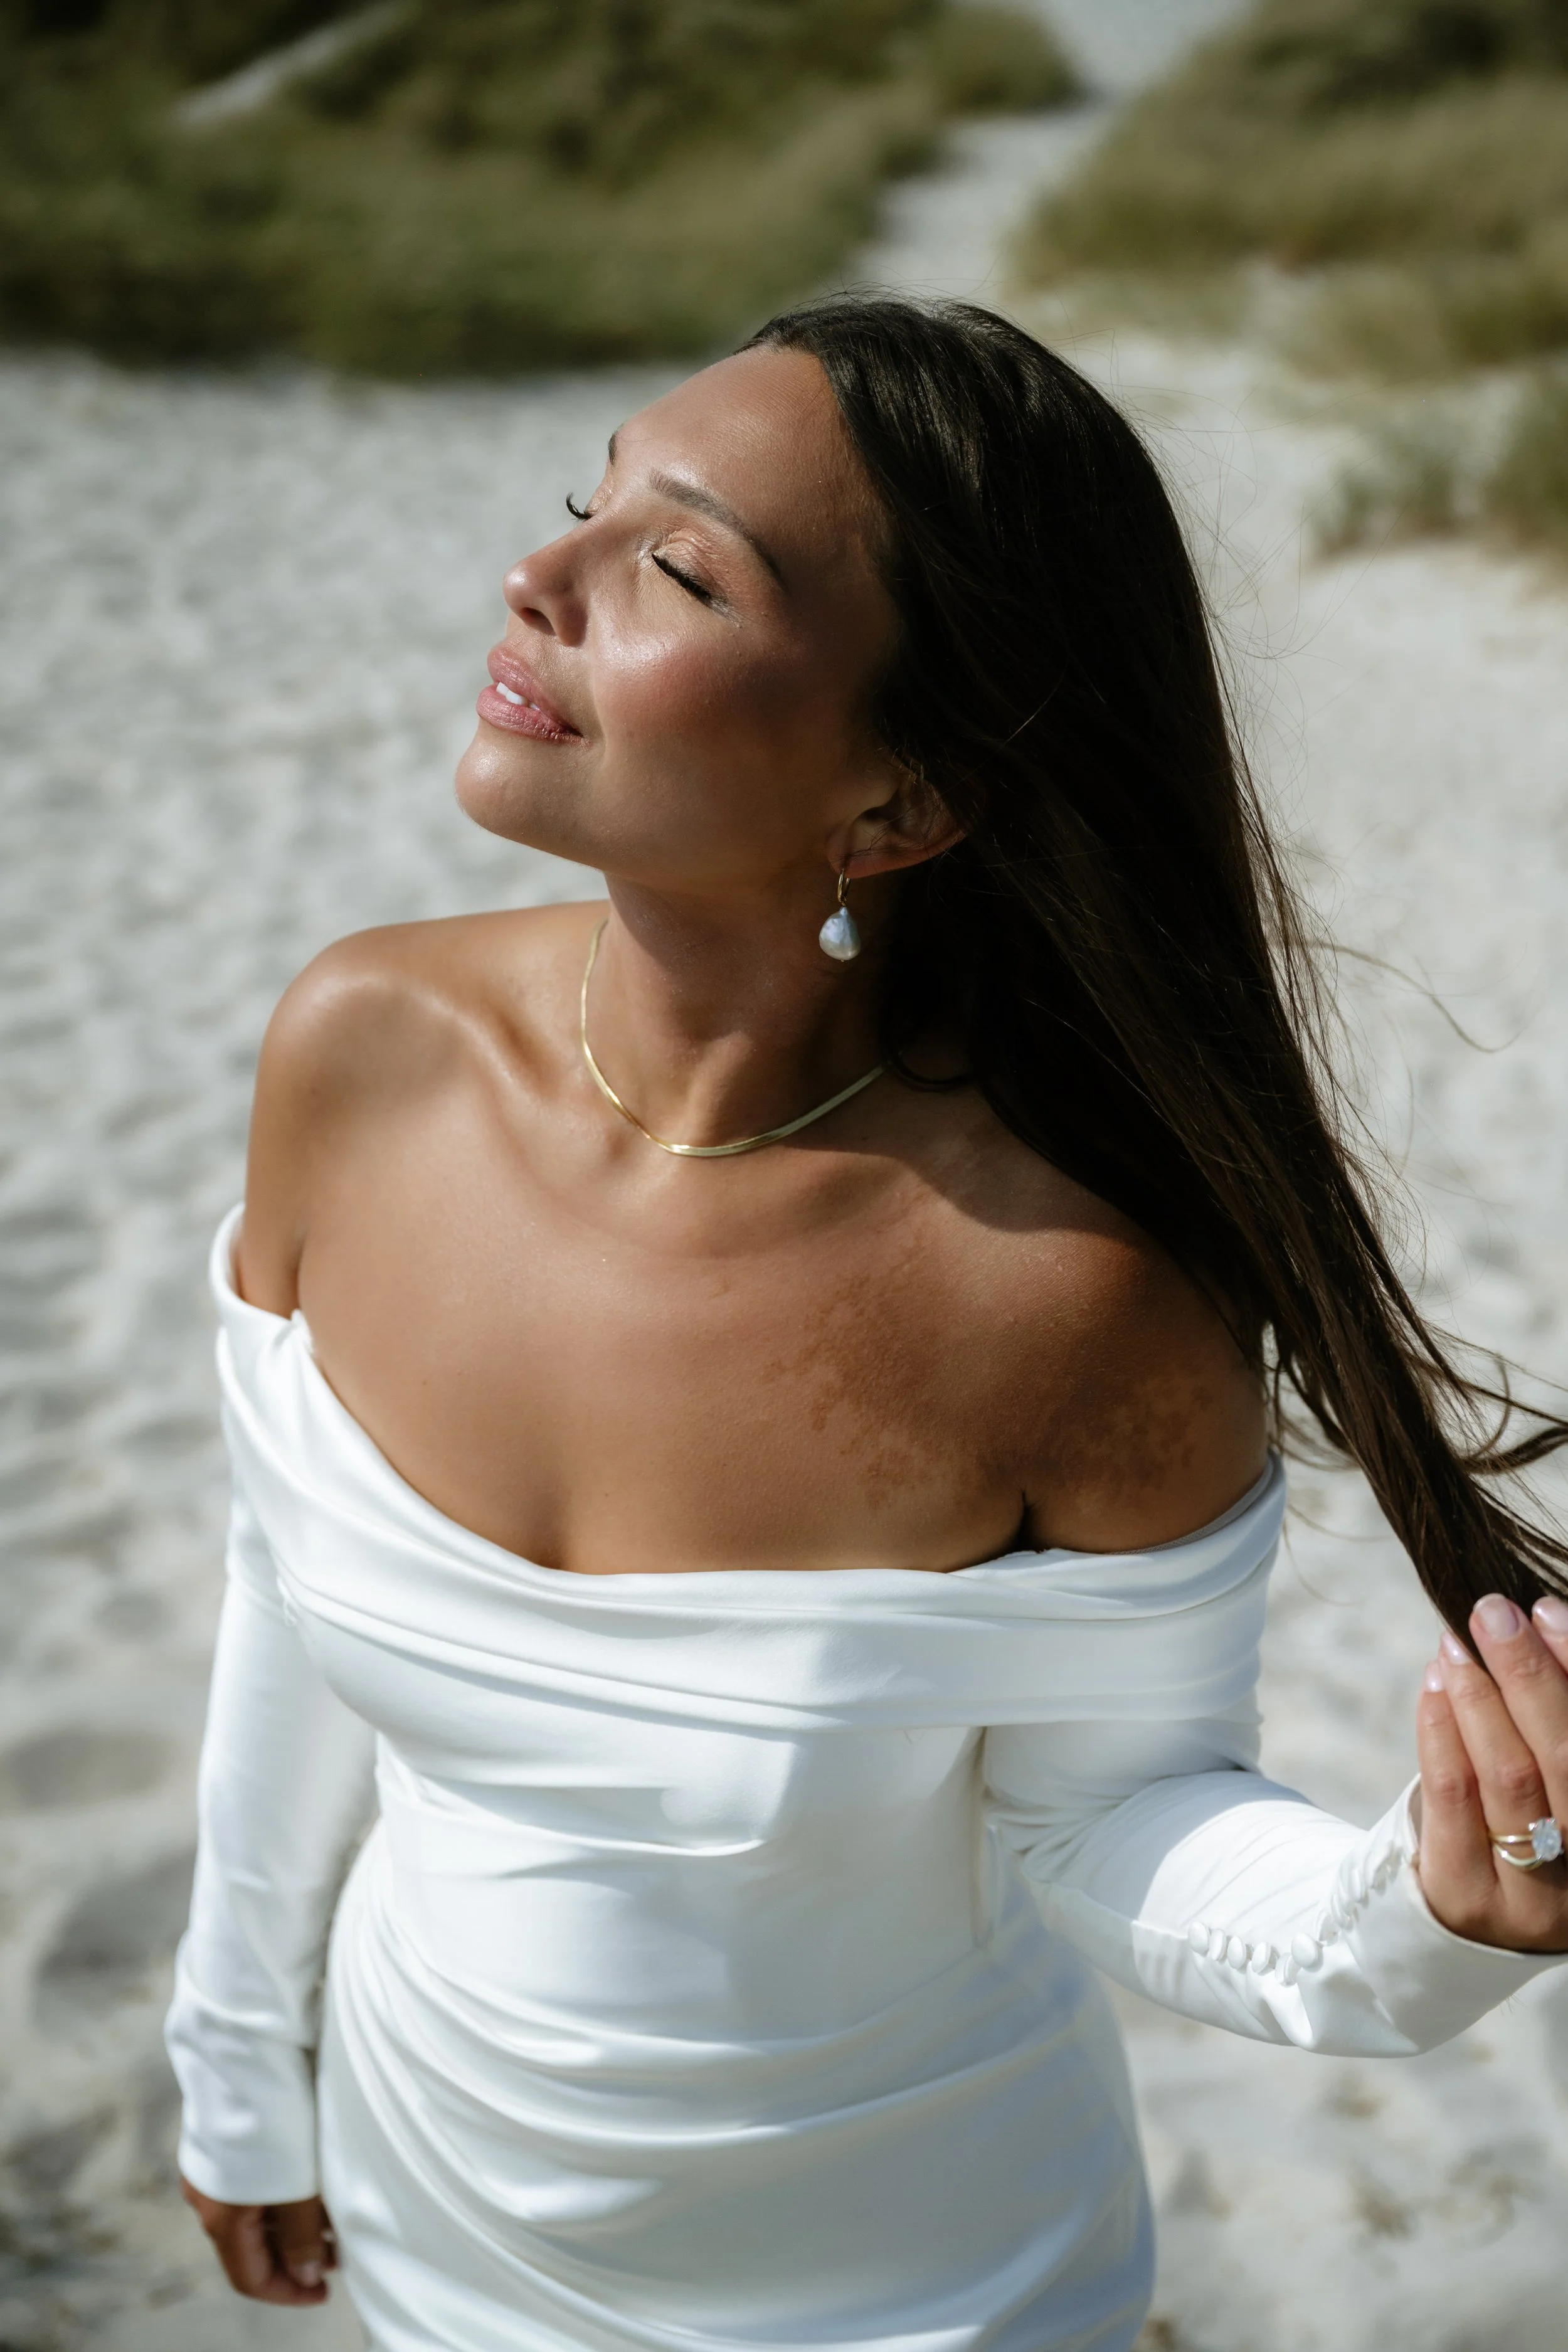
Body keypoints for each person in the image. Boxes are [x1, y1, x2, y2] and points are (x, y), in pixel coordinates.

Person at [166, 297, 1568, 2352]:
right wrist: (231, 2047)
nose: (536, 576)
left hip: (918, 2279)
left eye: (674, 564)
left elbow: (1104, 1817)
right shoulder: (357, 1050)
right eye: (589, 498)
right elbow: (285, 1587)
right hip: (428, 2192)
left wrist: (1429, 1911)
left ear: (904, 802)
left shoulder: (1074, 1290)